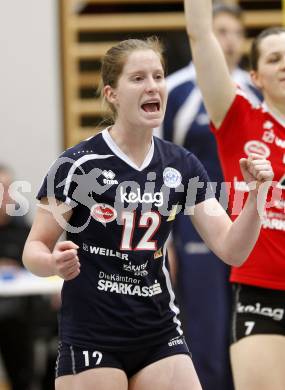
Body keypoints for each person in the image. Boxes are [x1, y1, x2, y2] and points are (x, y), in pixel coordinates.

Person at [23, 37, 273, 390]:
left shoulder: (181, 164)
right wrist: (52, 264)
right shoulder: (78, 164)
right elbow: (33, 249)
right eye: (138, 78)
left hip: (158, 331)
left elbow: (232, 249)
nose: (153, 86)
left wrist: (255, 198)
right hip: (93, 334)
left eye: (158, 76)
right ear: (112, 93)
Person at [157, 4, 262, 389]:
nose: (229, 40)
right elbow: (156, 167)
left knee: (249, 332)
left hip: (251, 225)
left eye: (236, 31)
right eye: (220, 30)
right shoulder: (175, 90)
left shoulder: (257, 91)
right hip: (195, 227)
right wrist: (164, 237)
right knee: (205, 332)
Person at [184, 0, 285, 389]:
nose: (284, 65)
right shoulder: (239, 118)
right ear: (255, 76)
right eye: (275, 59)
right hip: (262, 295)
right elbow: (200, 34)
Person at [0, 164, 34, 390]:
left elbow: (33, 260)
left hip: (17, 307)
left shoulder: (20, 224)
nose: (6, 195)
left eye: (9, 188)